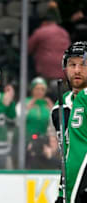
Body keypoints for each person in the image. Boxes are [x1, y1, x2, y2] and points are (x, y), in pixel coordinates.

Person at [50, 41, 87, 203]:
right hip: (71, 185)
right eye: (72, 64)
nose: (77, 70)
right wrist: (62, 191)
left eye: (84, 64)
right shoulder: (59, 107)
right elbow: (66, 154)